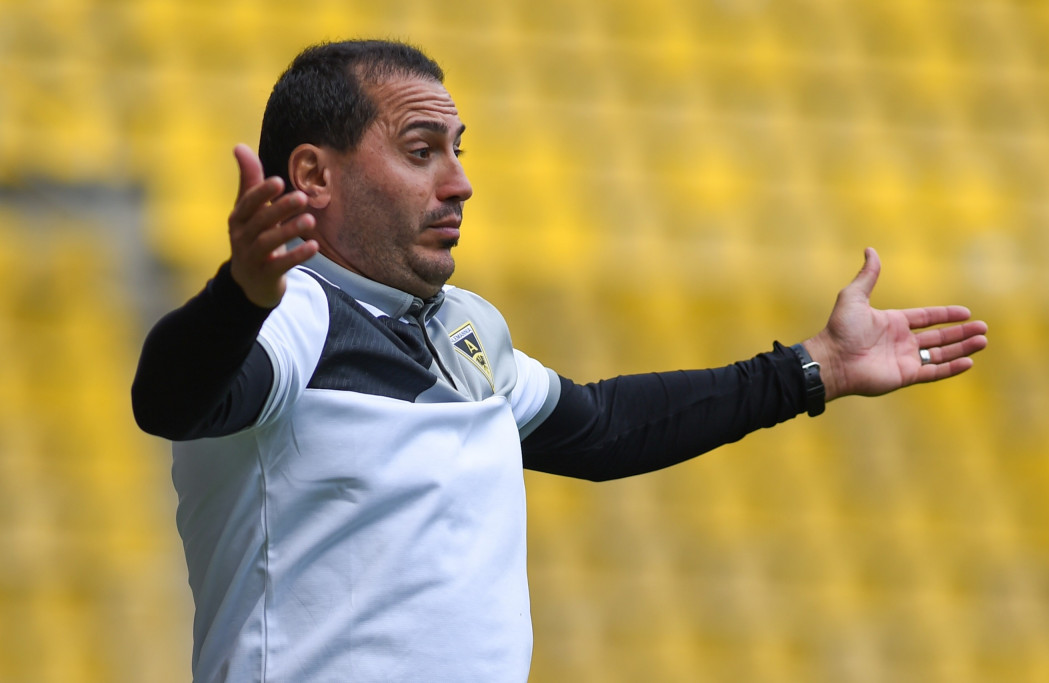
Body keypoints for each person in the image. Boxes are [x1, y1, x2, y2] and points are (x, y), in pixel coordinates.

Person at [131, 39, 987, 683]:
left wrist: (815, 367)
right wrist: (240, 293)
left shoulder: (462, 329)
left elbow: (603, 429)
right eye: (422, 150)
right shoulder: (297, 315)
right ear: (313, 176)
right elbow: (170, 399)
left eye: (459, 150)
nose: (459, 182)